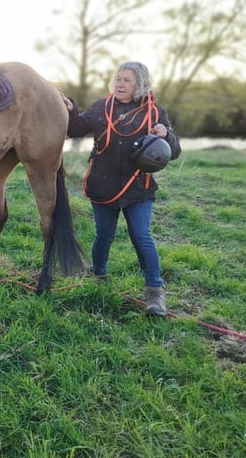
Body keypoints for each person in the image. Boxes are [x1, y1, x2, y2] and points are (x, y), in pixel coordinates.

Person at [62, 61, 181, 316]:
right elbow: (75, 130)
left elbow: (175, 152)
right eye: (118, 78)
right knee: (103, 236)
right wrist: (72, 109)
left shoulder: (154, 112)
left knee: (141, 236)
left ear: (140, 84)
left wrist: (166, 135)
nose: (120, 83)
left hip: (138, 189)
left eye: (126, 80)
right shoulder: (101, 108)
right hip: (103, 187)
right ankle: (100, 275)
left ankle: (155, 292)